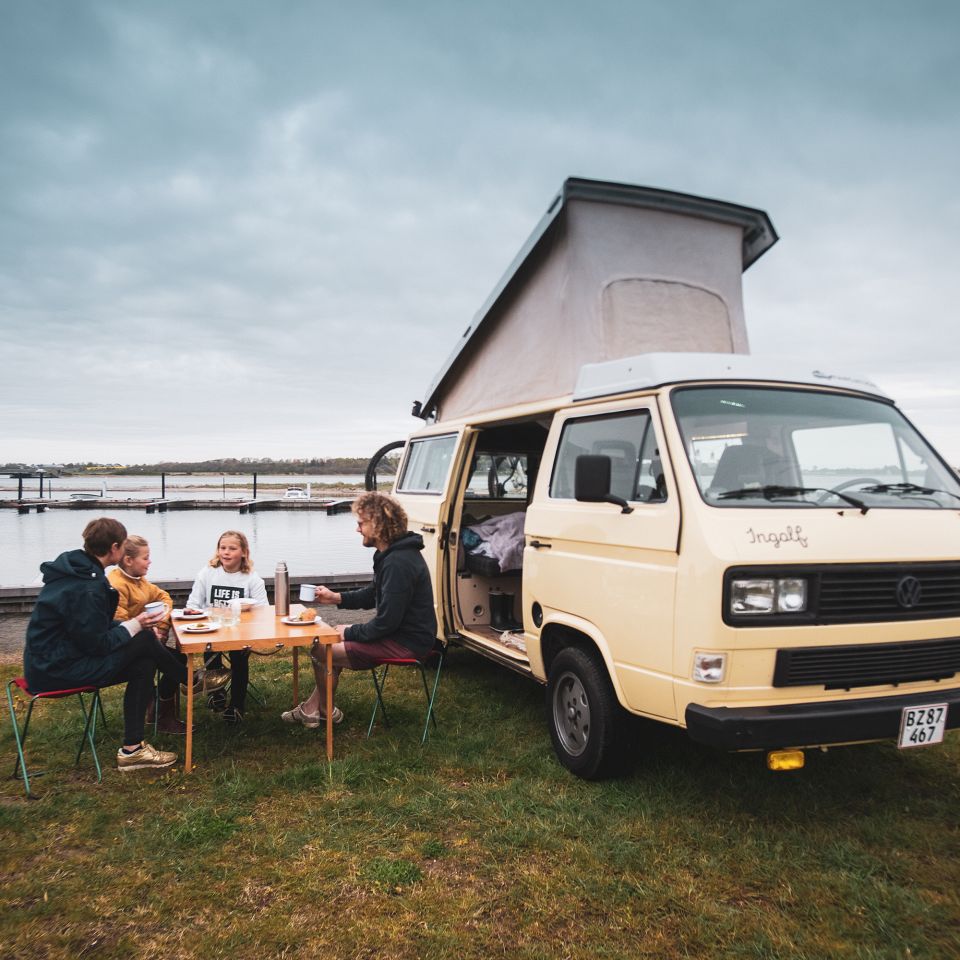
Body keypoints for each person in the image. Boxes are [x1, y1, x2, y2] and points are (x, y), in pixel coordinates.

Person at [23, 517, 192, 772]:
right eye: (123, 545)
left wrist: (134, 625)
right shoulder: (88, 587)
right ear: (114, 548)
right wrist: (136, 625)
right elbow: (98, 645)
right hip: (56, 671)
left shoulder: (78, 572)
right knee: (145, 638)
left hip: (51, 662)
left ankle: (132, 750)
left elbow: (92, 630)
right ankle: (191, 681)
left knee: (144, 660)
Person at [281, 492, 438, 728]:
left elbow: (387, 623)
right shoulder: (390, 555)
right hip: (400, 635)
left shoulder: (398, 563)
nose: (358, 529)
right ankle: (314, 709)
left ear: (378, 523)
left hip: (408, 642)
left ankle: (324, 709)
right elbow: (373, 593)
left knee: (323, 649)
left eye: (361, 523)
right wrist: (336, 597)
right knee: (327, 644)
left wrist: (350, 631)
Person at [108, 535, 213, 735]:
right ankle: (184, 689)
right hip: (121, 647)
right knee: (158, 659)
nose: (150, 562)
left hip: (143, 641)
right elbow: (118, 625)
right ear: (129, 560)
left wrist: (162, 628)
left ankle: (161, 709)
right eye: (146, 558)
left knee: (176, 656)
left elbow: (163, 597)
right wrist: (147, 630)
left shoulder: (139, 581)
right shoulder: (117, 585)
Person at [185, 530, 268, 725]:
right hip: (212, 629)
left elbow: (264, 611)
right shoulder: (208, 573)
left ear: (244, 552)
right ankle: (217, 693)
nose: (226, 552)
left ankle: (237, 705)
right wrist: (194, 614)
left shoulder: (252, 579)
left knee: (239, 657)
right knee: (210, 651)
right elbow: (193, 604)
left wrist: (251, 608)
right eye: (222, 548)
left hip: (240, 631)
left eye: (232, 548)